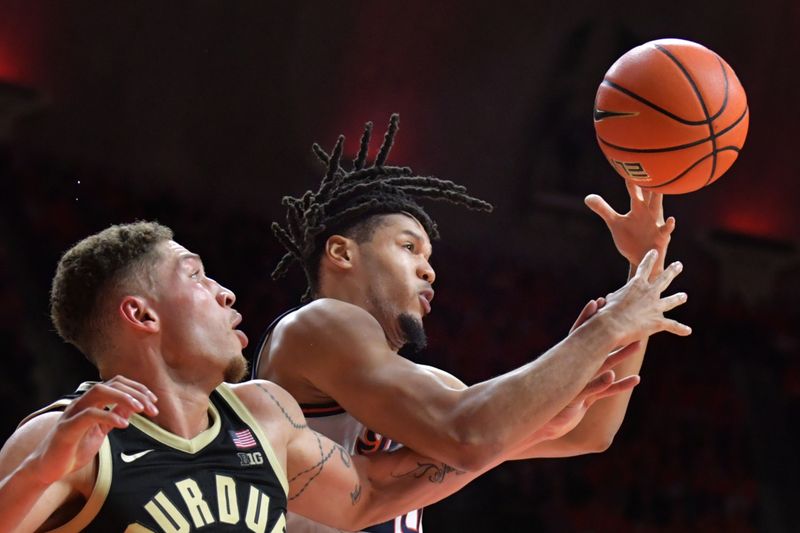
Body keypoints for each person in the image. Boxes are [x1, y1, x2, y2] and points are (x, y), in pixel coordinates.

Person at [255, 114, 690, 532]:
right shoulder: (314, 325)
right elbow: (469, 434)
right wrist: (607, 326)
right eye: (409, 247)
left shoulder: (429, 387)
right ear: (342, 253)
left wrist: (643, 272)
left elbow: (590, 433)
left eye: (429, 259)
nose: (429, 271)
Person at [0, 221, 582, 533]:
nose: (224, 291)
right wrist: (37, 473)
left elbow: (371, 494)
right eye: (196, 277)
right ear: (142, 314)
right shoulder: (64, 442)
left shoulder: (263, 416)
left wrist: (519, 431)